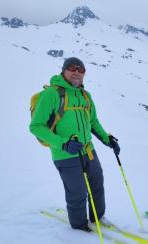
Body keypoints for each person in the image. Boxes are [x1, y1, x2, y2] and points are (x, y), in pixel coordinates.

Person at [30, 57, 120, 231]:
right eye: (72, 68)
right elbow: (36, 126)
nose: (77, 72)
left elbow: (93, 122)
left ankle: (98, 218)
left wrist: (107, 139)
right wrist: (63, 144)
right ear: (64, 71)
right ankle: (79, 228)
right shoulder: (52, 94)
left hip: (88, 150)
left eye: (81, 70)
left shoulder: (86, 96)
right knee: (77, 192)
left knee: (97, 184)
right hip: (64, 153)